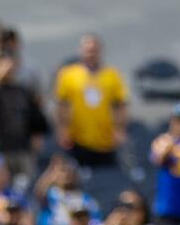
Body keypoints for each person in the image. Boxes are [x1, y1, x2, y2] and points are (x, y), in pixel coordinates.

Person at [0, 29, 48, 179]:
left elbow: (37, 105)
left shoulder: (25, 79)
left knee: (26, 183)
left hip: (22, 143)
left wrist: (36, 134)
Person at [53, 35, 127, 170]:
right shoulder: (68, 74)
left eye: (94, 50)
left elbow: (119, 105)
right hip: (77, 139)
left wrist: (119, 129)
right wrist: (63, 129)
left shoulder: (112, 75)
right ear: (81, 51)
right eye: (87, 50)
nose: (90, 54)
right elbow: (62, 105)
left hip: (105, 139)